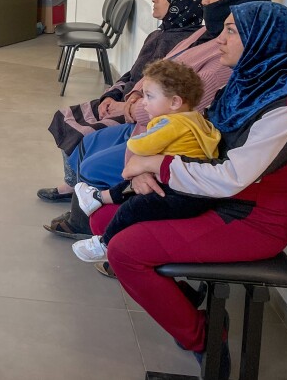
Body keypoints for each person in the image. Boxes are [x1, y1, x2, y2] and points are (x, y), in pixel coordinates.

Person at [92, 2, 287, 376]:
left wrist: (156, 166)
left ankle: (204, 336)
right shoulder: (245, 84)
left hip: (250, 221)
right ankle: (188, 299)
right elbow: (198, 142)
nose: (221, 40)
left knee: (125, 251)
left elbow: (231, 175)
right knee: (102, 217)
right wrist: (142, 174)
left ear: (265, 40)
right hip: (211, 197)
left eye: (232, 31)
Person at [44, 0, 271, 238]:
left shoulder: (228, 55)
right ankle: (83, 206)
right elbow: (161, 67)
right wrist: (135, 93)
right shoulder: (205, 33)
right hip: (147, 116)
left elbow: (184, 102)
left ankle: (88, 222)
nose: (204, 1)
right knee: (89, 142)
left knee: (92, 160)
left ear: (238, 1)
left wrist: (128, 109)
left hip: (162, 131)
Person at [38, 0, 205, 202]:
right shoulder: (159, 33)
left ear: (179, 4)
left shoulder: (185, 43)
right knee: (65, 116)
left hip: (139, 111)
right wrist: (111, 94)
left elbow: (160, 92)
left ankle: (81, 190)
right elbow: (132, 73)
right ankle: (73, 184)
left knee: (81, 129)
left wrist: (124, 104)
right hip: (126, 99)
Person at [71, 59, 220, 262]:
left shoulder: (171, 123)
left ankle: (104, 244)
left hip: (182, 194)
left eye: (149, 96)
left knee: (133, 206)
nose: (144, 102)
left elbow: (141, 145)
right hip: (192, 188)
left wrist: (136, 143)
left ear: (175, 102)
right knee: (134, 185)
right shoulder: (194, 118)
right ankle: (98, 198)